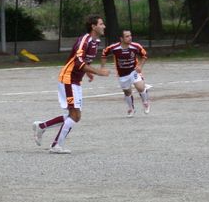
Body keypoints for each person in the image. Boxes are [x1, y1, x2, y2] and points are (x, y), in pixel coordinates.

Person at [31, 14, 110, 154]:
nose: (104, 26)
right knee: (75, 115)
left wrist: (88, 72)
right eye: (101, 24)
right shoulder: (84, 40)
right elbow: (79, 62)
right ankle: (56, 145)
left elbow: (84, 61)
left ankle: (42, 126)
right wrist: (98, 72)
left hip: (75, 80)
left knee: (74, 115)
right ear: (93, 26)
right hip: (68, 79)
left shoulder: (96, 41)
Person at [101, 29, 151, 116]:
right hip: (122, 74)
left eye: (130, 35)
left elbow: (144, 55)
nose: (130, 38)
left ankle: (145, 102)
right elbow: (104, 54)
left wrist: (140, 66)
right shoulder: (114, 48)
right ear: (121, 38)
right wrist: (102, 67)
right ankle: (131, 108)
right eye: (127, 36)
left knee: (140, 87)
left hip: (133, 71)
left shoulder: (136, 46)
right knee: (127, 92)